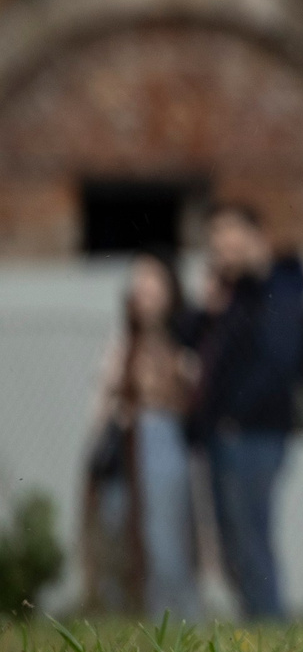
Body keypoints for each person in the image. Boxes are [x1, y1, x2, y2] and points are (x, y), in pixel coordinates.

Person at [187, 200, 303, 620]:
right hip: (223, 432)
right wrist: (208, 309)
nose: (224, 255)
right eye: (217, 247)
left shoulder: (280, 285)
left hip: (256, 432)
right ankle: (254, 624)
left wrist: (236, 413)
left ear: (256, 240)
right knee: (230, 538)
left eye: (233, 244)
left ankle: (269, 626)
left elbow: (278, 358)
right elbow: (189, 343)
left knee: (250, 533)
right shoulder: (226, 299)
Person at [79, 251, 204, 619]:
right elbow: (103, 401)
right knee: (114, 530)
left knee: (165, 539)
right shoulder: (122, 343)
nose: (143, 290)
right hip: (122, 445)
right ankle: (121, 621)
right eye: (138, 283)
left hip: (162, 440)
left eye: (152, 282)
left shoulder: (184, 341)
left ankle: (175, 621)